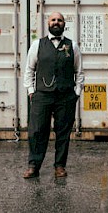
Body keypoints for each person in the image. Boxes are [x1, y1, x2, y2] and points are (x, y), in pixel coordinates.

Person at [22, 11, 84, 179]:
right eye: (53, 20)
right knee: (37, 131)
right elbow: (29, 70)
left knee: (63, 132)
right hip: (42, 95)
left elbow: (79, 72)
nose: (56, 22)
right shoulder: (37, 45)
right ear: (48, 23)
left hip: (65, 96)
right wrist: (31, 91)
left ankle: (60, 166)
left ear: (64, 24)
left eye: (60, 20)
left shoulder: (73, 46)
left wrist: (77, 92)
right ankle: (34, 166)